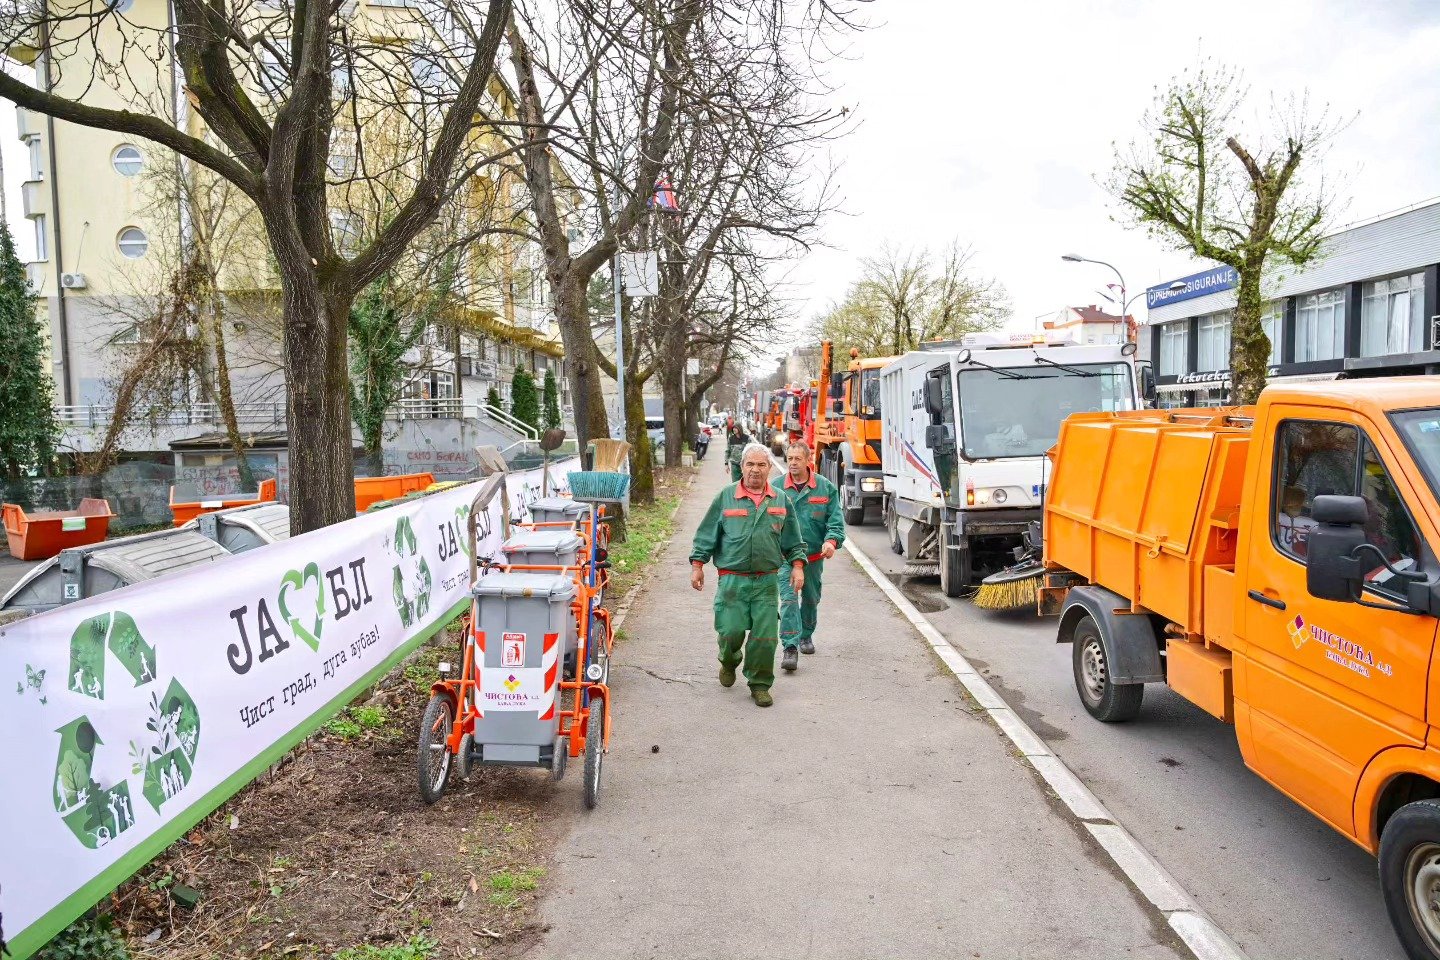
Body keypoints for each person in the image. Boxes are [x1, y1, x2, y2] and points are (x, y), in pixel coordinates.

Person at [690, 443, 807, 707]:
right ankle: (729, 661)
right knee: (730, 632)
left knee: (765, 638)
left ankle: (760, 684)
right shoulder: (725, 497)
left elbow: (793, 540)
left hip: (766, 581)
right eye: (750, 464)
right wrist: (698, 564)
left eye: (761, 465)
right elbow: (707, 533)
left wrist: (798, 566)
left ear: (769, 468)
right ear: (741, 467)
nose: (755, 470)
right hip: (732, 580)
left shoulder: (780, 499)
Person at [776, 440, 845, 673]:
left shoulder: (825, 488)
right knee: (788, 599)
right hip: (785, 559)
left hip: (814, 558)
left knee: (811, 598)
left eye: (797, 459)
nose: (793, 463)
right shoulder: (776, 488)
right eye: (790, 458)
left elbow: (835, 521)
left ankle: (806, 635)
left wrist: (831, 541)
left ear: (808, 460)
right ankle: (790, 647)